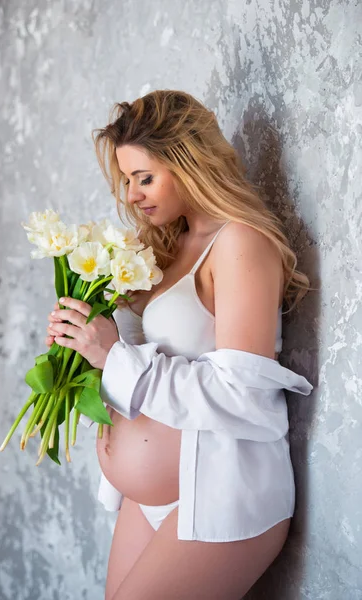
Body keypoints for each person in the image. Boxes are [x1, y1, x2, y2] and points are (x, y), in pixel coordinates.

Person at [44, 90, 314, 600]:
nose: (131, 195)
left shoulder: (240, 243)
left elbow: (244, 396)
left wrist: (113, 356)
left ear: (190, 162)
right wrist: (80, 334)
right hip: (156, 495)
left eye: (144, 177)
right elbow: (146, 360)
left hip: (219, 490)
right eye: (126, 180)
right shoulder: (168, 249)